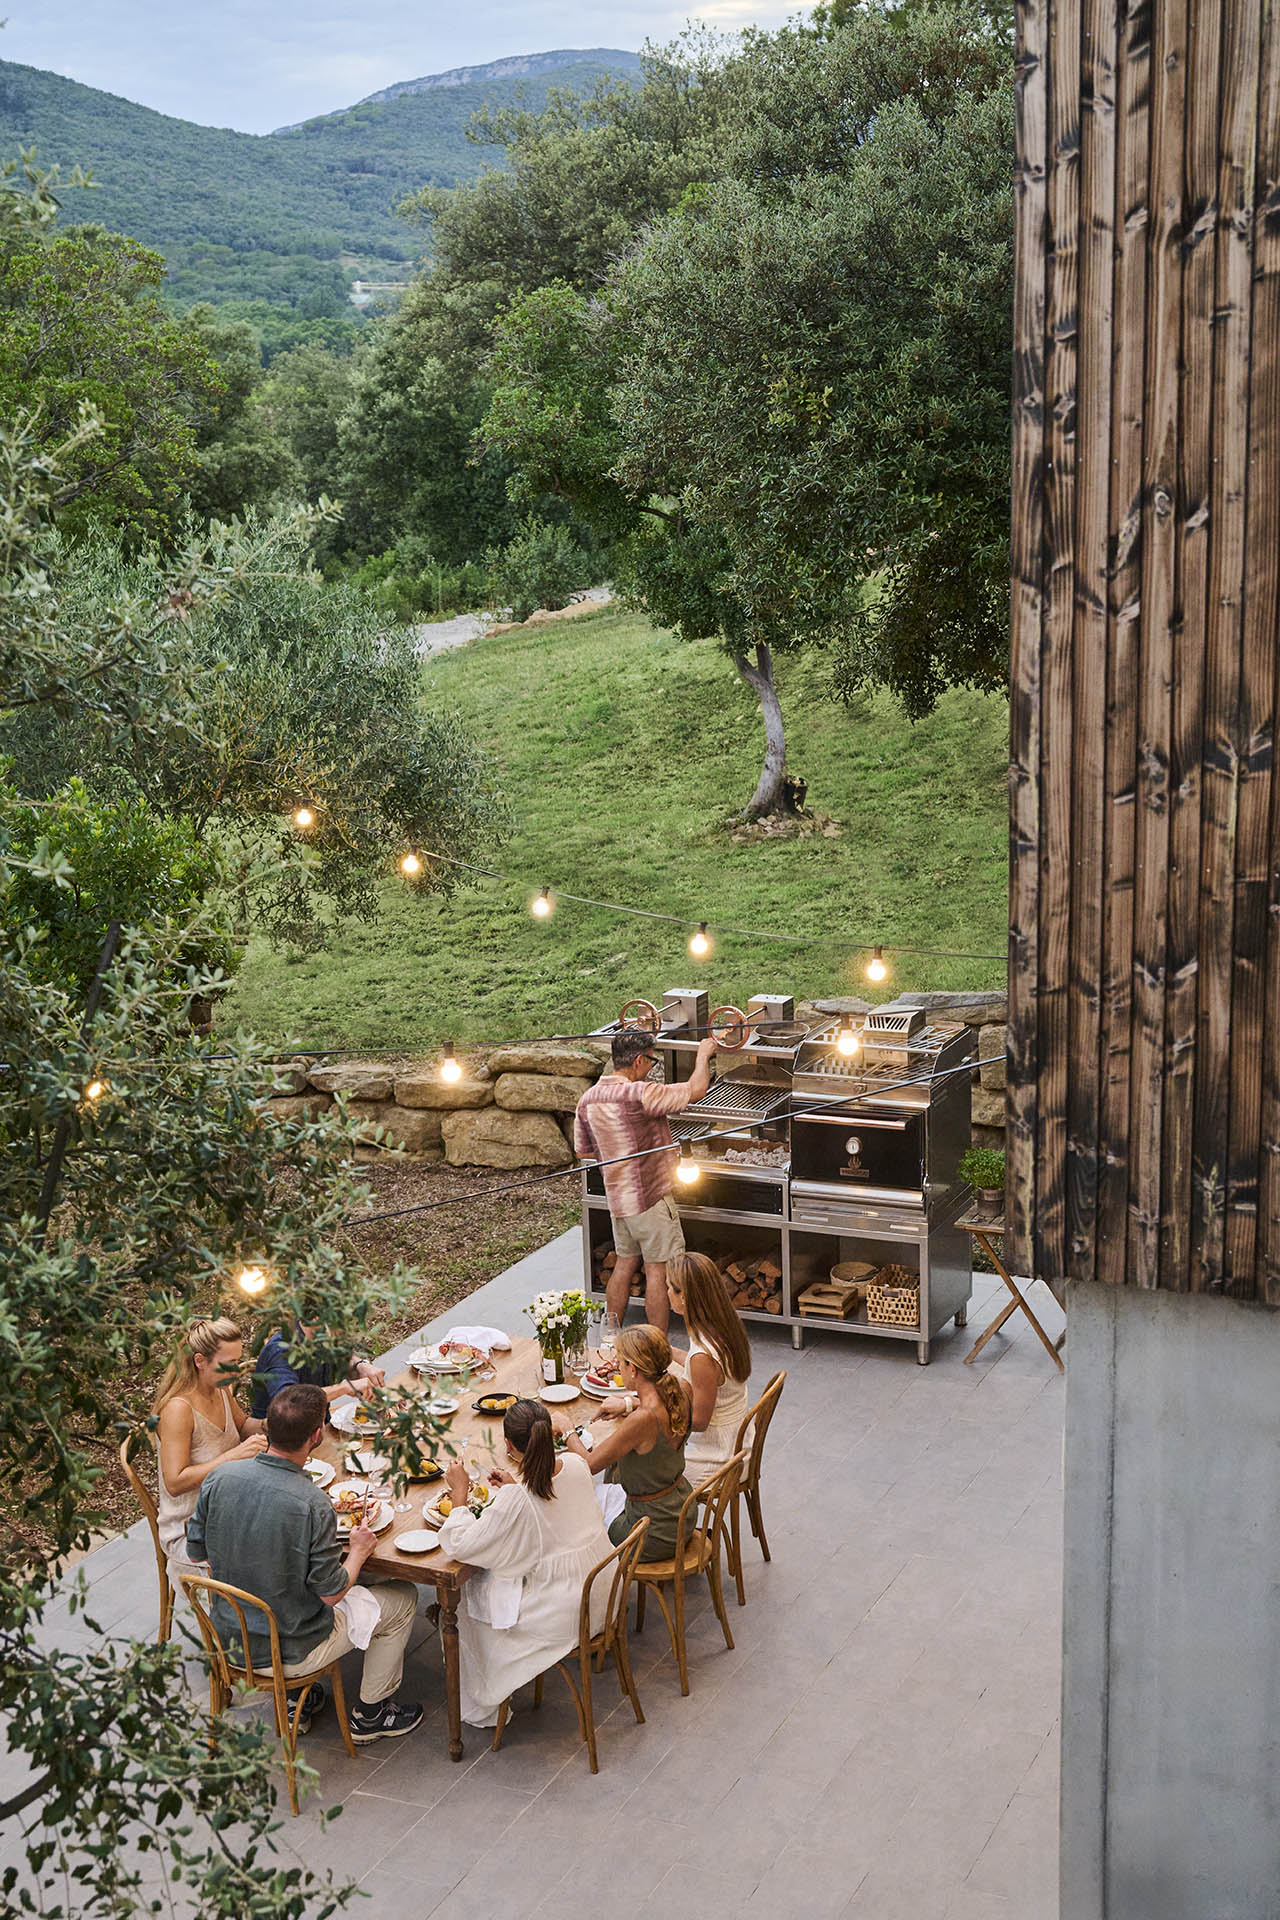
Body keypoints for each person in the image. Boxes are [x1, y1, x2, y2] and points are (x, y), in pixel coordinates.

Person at [187, 1382, 423, 1744]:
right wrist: (359, 1551)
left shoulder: (219, 1477)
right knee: (403, 1596)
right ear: (316, 1435)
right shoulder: (312, 1503)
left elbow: (196, 1554)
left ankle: (300, 1697)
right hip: (290, 1649)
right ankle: (372, 1714)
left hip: (228, 1639)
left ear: (268, 1427)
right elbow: (331, 1594)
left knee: (292, 1581)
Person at [436, 1399, 614, 1728]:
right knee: (496, 1576)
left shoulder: (518, 1499)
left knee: (466, 1601)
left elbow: (460, 1545)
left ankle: (485, 1697)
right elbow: (550, 1505)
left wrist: (459, 1493)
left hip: (566, 1614)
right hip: (604, 1593)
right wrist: (514, 1491)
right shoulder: (576, 1464)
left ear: (508, 1446)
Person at [573, 1027, 717, 1333]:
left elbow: (583, 1151)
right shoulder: (641, 1094)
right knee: (657, 1272)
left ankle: (612, 1336)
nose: (651, 1068)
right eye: (651, 1061)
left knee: (624, 1264)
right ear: (638, 1060)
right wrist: (703, 1055)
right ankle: (657, 1344)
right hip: (650, 1199)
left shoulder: (587, 1099)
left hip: (618, 1199)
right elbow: (697, 1089)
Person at [561, 1324, 691, 1562]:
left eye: (620, 1362)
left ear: (633, 1369)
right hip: (681, 1511)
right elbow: (657, 1406)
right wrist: (628, 1403)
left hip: (651, 1530)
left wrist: (566, 1429)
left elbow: (588, 1464)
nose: (617, 1366)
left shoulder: (642, 1420)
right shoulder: (680, 1389)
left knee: (571, 1517)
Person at [153, 1317, 266, 1577]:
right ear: (200, 1361)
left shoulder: (221, 1388)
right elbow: (175, 1482)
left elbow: (243, 1425)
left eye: (238, 1360)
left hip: (230, 1508)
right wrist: (233, 1456)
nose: (237, 1370)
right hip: (191, 1530)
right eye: (229, 1363)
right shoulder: (178, 1409)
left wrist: (281, 1422)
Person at [665, 1252, 752, 1482]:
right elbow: (707, 1373)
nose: (667, 1293)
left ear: (684, 1296)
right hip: (739, 1441)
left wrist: (650, 1412)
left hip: (718, 1459)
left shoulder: (702, 1356)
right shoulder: (725, 1324)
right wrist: (668, 1351)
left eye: (669, 1287)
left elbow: (699, 1422)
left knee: (638, 1464)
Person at [249, 1322, 386, 1419]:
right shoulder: (280, 1351)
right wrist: (344, 1388)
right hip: (281, 1442)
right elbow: (287, 1404)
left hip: (319, 1427)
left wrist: (359, 1365)